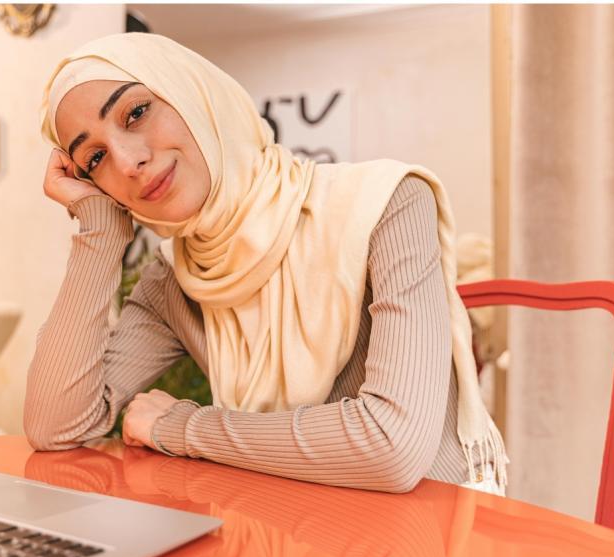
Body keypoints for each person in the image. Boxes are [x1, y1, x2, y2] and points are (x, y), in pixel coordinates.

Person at [26, 32, 508, 495]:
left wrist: (183, 427)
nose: (129, 162)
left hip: (425, 535)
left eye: (136, 112)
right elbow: (56, 426)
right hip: (281, 529)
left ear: (194, 94)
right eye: (94, 159)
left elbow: (391, 447)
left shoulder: (389, 204)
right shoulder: (174, 278)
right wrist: (100, 230)